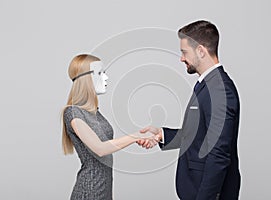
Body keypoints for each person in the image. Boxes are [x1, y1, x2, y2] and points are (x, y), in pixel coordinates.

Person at [138, 20, 241, 200]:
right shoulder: (206, 85)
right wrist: (162, 134)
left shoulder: (219, 90)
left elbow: (219, 154)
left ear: (201, 51)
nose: (181, 58)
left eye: (184, 52)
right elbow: (198, 136)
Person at [61, 54, 156, 200]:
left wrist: (140, 135)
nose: (106, 77)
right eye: (100, 73)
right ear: (86, 78)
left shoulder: (94, 112)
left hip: (104, 189)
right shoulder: (73, 112)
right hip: (89, 191)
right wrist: (136, 136)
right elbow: (100, 149)